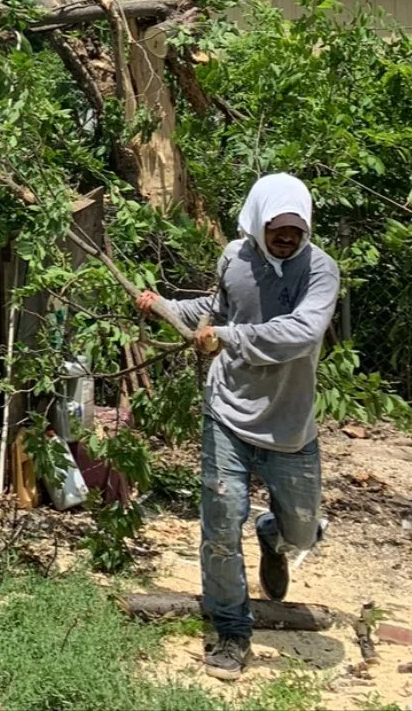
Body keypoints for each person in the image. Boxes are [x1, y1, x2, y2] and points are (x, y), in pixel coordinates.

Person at [137, 173, 339, 681]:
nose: (288, 237)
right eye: (279, 228)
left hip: (290, 426)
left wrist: (227, 337)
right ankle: (231, 632)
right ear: (258, 222)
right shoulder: (235, 258)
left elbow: (301, 332)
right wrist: (162, 306)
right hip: (226, 412)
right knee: (222, 527)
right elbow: (216, 311)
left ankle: (274, 537)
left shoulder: (320, 270)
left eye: (297, 228)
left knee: (302, 529)